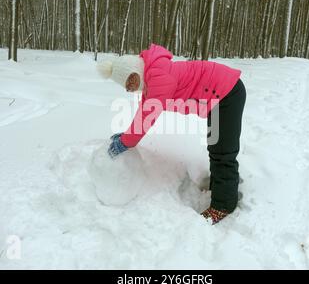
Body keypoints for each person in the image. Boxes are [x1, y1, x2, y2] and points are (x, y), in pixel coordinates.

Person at [97, 44, 246, 225]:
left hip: (227, 93)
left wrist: (125, 142)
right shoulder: (152, 77)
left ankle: (223, 205)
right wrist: (126, 136)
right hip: (219, 95)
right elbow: (143, 112)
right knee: (216, 145)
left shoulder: (158, 77)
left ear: (136, 70)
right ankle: (222, 185)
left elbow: (147, 116)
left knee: (224, 150)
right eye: (126, 86)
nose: (130, 88)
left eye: (131, 80)